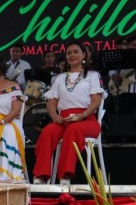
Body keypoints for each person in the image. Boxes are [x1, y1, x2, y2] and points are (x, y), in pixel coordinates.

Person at [32, 41, 107, 185]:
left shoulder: (92, 75)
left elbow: (96, 101)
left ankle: (65, 176)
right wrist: (54, 116)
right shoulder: (60, 78)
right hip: (64, 119)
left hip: (87, 120)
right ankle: (41, 176)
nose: (72, 55)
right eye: (69, 53)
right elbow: (51, 102)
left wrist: (82, 115)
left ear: (84, 54)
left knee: (73, 130)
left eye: (76, 52)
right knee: (48, 131)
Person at [112, 36, 136, 114]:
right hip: (124, 92)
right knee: (124, 118)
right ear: (128, 46)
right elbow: (111, 69)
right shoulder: (121, 57)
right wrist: (113, 75)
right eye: (134, 45)